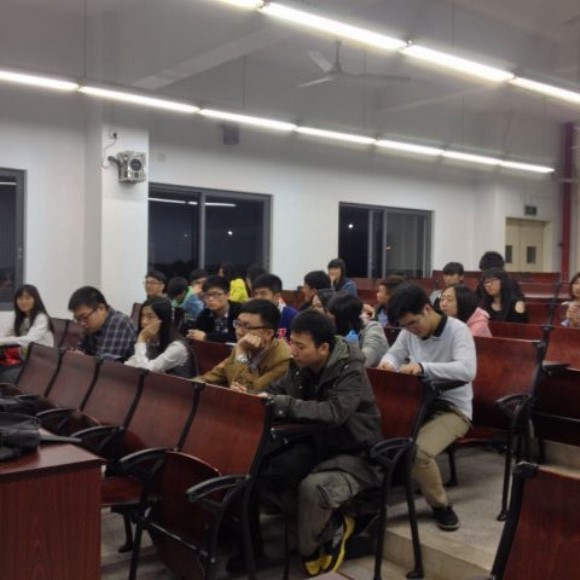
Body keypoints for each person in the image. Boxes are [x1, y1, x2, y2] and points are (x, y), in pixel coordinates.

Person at [248, 310, 383, 576]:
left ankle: (313, 546)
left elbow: (335, 412)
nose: (293, 351)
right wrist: (253, 396)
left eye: (300, 346)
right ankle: (331, 523)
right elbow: (277, 390)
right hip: (319, 443)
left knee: (312, 489)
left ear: (323, 348)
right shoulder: (300, 364)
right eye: (292, 343)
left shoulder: (350, 367)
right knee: (267, 471)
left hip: (356, 451)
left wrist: (283, 404)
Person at [379, 282, 476, 532]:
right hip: (418, 402)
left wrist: (424, 368)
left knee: (419, 452)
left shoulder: (458, 330)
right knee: (377, 434)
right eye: (405, 326)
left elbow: (467, 370)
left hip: (453, 408)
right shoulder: (408, 331)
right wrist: (388, 363)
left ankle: (441, 506)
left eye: (413, 323)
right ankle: (377, 498)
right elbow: (393, 354)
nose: (411, 330)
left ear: (426, 309)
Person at [196, 299, 290, 391]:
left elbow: (246, 392)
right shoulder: (242, 346)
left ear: (268, 334)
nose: (239, 332)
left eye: (246, 327)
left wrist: (241, 353)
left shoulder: (283, 360)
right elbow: (209, 378)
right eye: (238, 324)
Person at [125, 296, 192, 377]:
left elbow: (144, 372)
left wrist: (142, 339)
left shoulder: (178, 347)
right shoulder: (152, 340)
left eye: (150, 317)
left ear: (163, 320)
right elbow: (130, 364)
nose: (143, 321)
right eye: (142, 316)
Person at [0, 284, 54, 383]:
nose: (23, 302)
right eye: (20, 298)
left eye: (28, 298)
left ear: (35, 299)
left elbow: (29, 340)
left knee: (5, 374)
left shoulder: (41, 318)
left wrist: (3, 341)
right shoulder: (18, 316)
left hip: (41, 361)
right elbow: (4, 333)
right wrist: (2, 339)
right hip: (25, 356)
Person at [68, 286, 136, 361]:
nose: (82, 323)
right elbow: (81, 352)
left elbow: (104, 364)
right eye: (78, 319)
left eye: (85, 317)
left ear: (101, 308)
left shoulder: (118, 323)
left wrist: (82, 358)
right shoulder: (91, 326)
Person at [327, 292, 388, 367]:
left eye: (332, 320)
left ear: (343, 320)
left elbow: (363, 360)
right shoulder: (334, 331)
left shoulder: (373, 328)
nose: (328, 323)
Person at [187, 276, 241, 343]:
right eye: (207, 295)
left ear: (227, 295)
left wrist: (207, 337)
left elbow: (239, 337)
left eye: (216, 295)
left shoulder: (240, 312)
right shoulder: (204, 315)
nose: (210, 299)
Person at [252, 273, 297, 340]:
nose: (258, 298)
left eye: (263, 294)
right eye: (256, 294)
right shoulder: (252, 315)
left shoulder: (292, 316)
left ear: (277, 296)